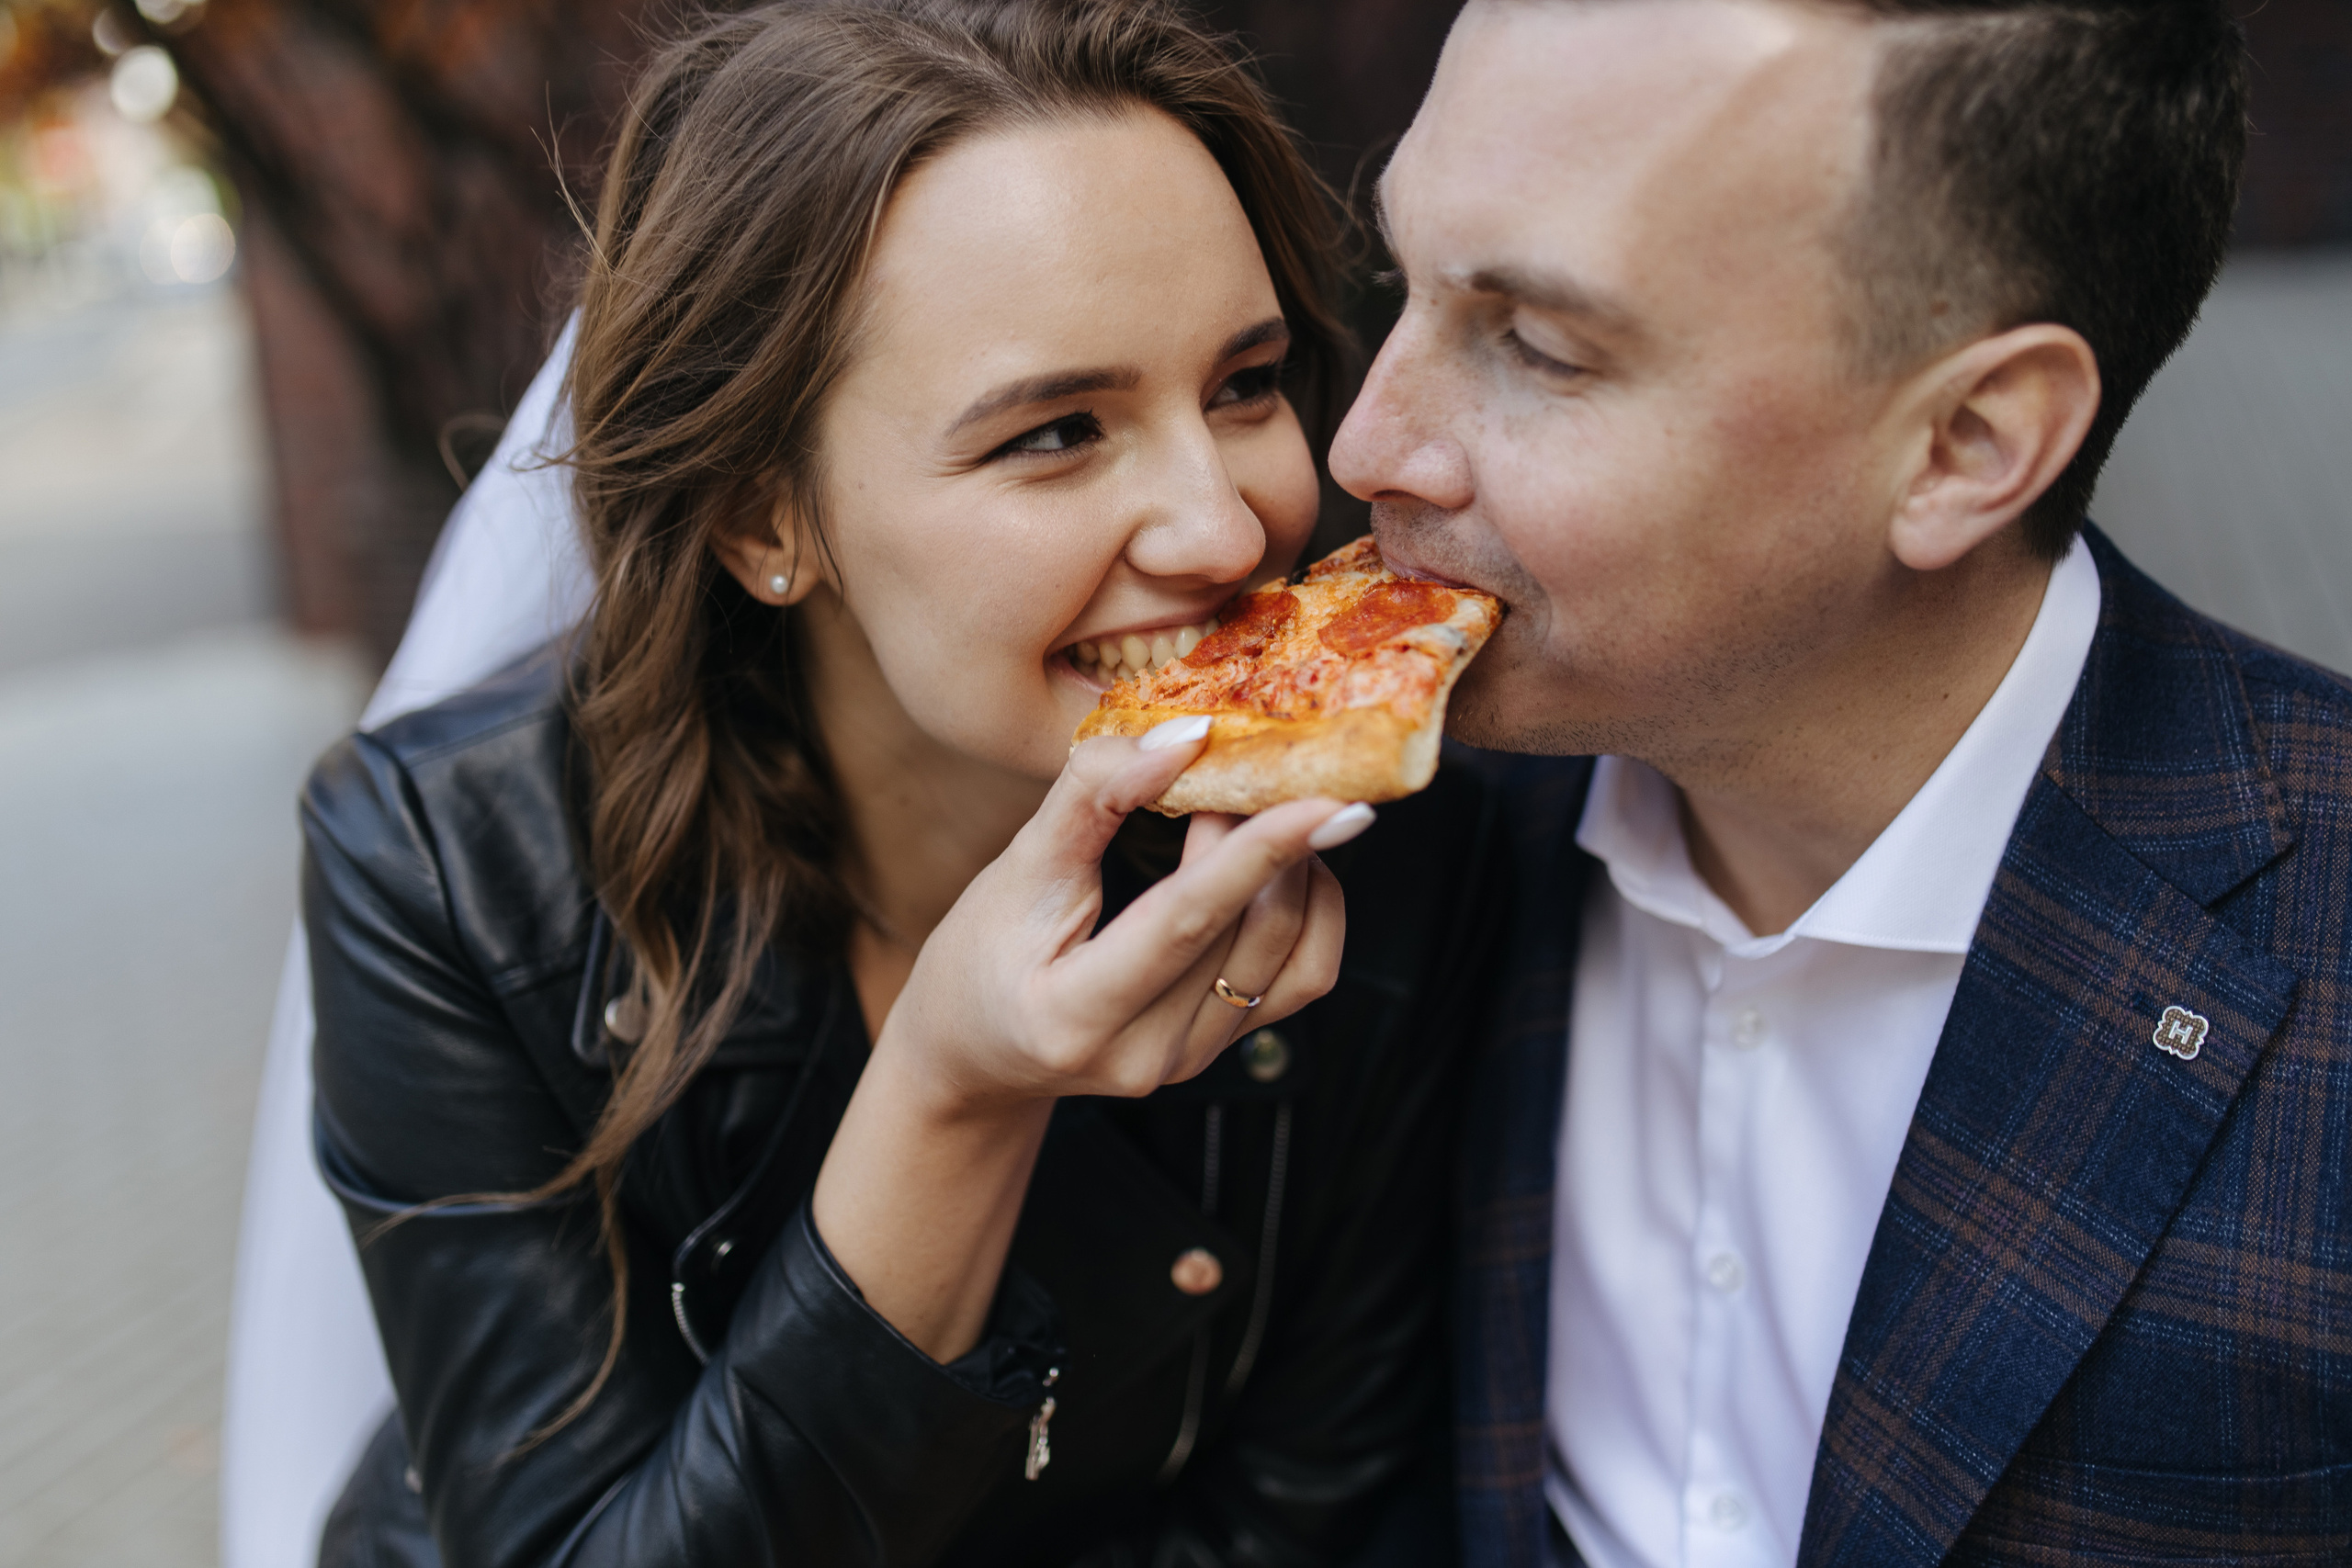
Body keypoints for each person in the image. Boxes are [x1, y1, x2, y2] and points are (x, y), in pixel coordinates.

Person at [297, 2, 1494, 1562]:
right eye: (1057, 433)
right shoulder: (451, 871)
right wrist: (954, 1092)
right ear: (763, 519)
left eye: (1244, 383)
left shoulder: (1381, 815)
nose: (1222, 528)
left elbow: (1305, 1517)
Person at [1331, 0, 2352, 1564]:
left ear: (1965, 444)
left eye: (1538, 347)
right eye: (1397, 280)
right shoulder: (1360, 828)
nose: (1366, 444)